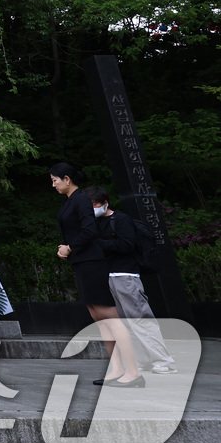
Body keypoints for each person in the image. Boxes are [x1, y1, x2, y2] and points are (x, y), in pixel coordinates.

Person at [52, 162, 135, 386]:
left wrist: (70, 247)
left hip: (92, 262)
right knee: (98, 318)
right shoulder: (71, 201)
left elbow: (89, 231)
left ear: (67, 179)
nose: (54, 185)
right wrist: (67, 248)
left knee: (109, 316)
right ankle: (116, 368)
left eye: (55, 180)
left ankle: (133, 371)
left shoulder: (80, 200)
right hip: (82, 261)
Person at [87, 185, 172, 379]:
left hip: (126, 275)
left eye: (95, 204)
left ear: (105, 203)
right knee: (125, 323)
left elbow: (127, 245)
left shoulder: (121, 220)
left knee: (140, 318)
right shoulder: (95, 223)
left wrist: (98, 245)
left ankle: (163, 361)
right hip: (108, 277)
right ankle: (144, 361)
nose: (92, 208)